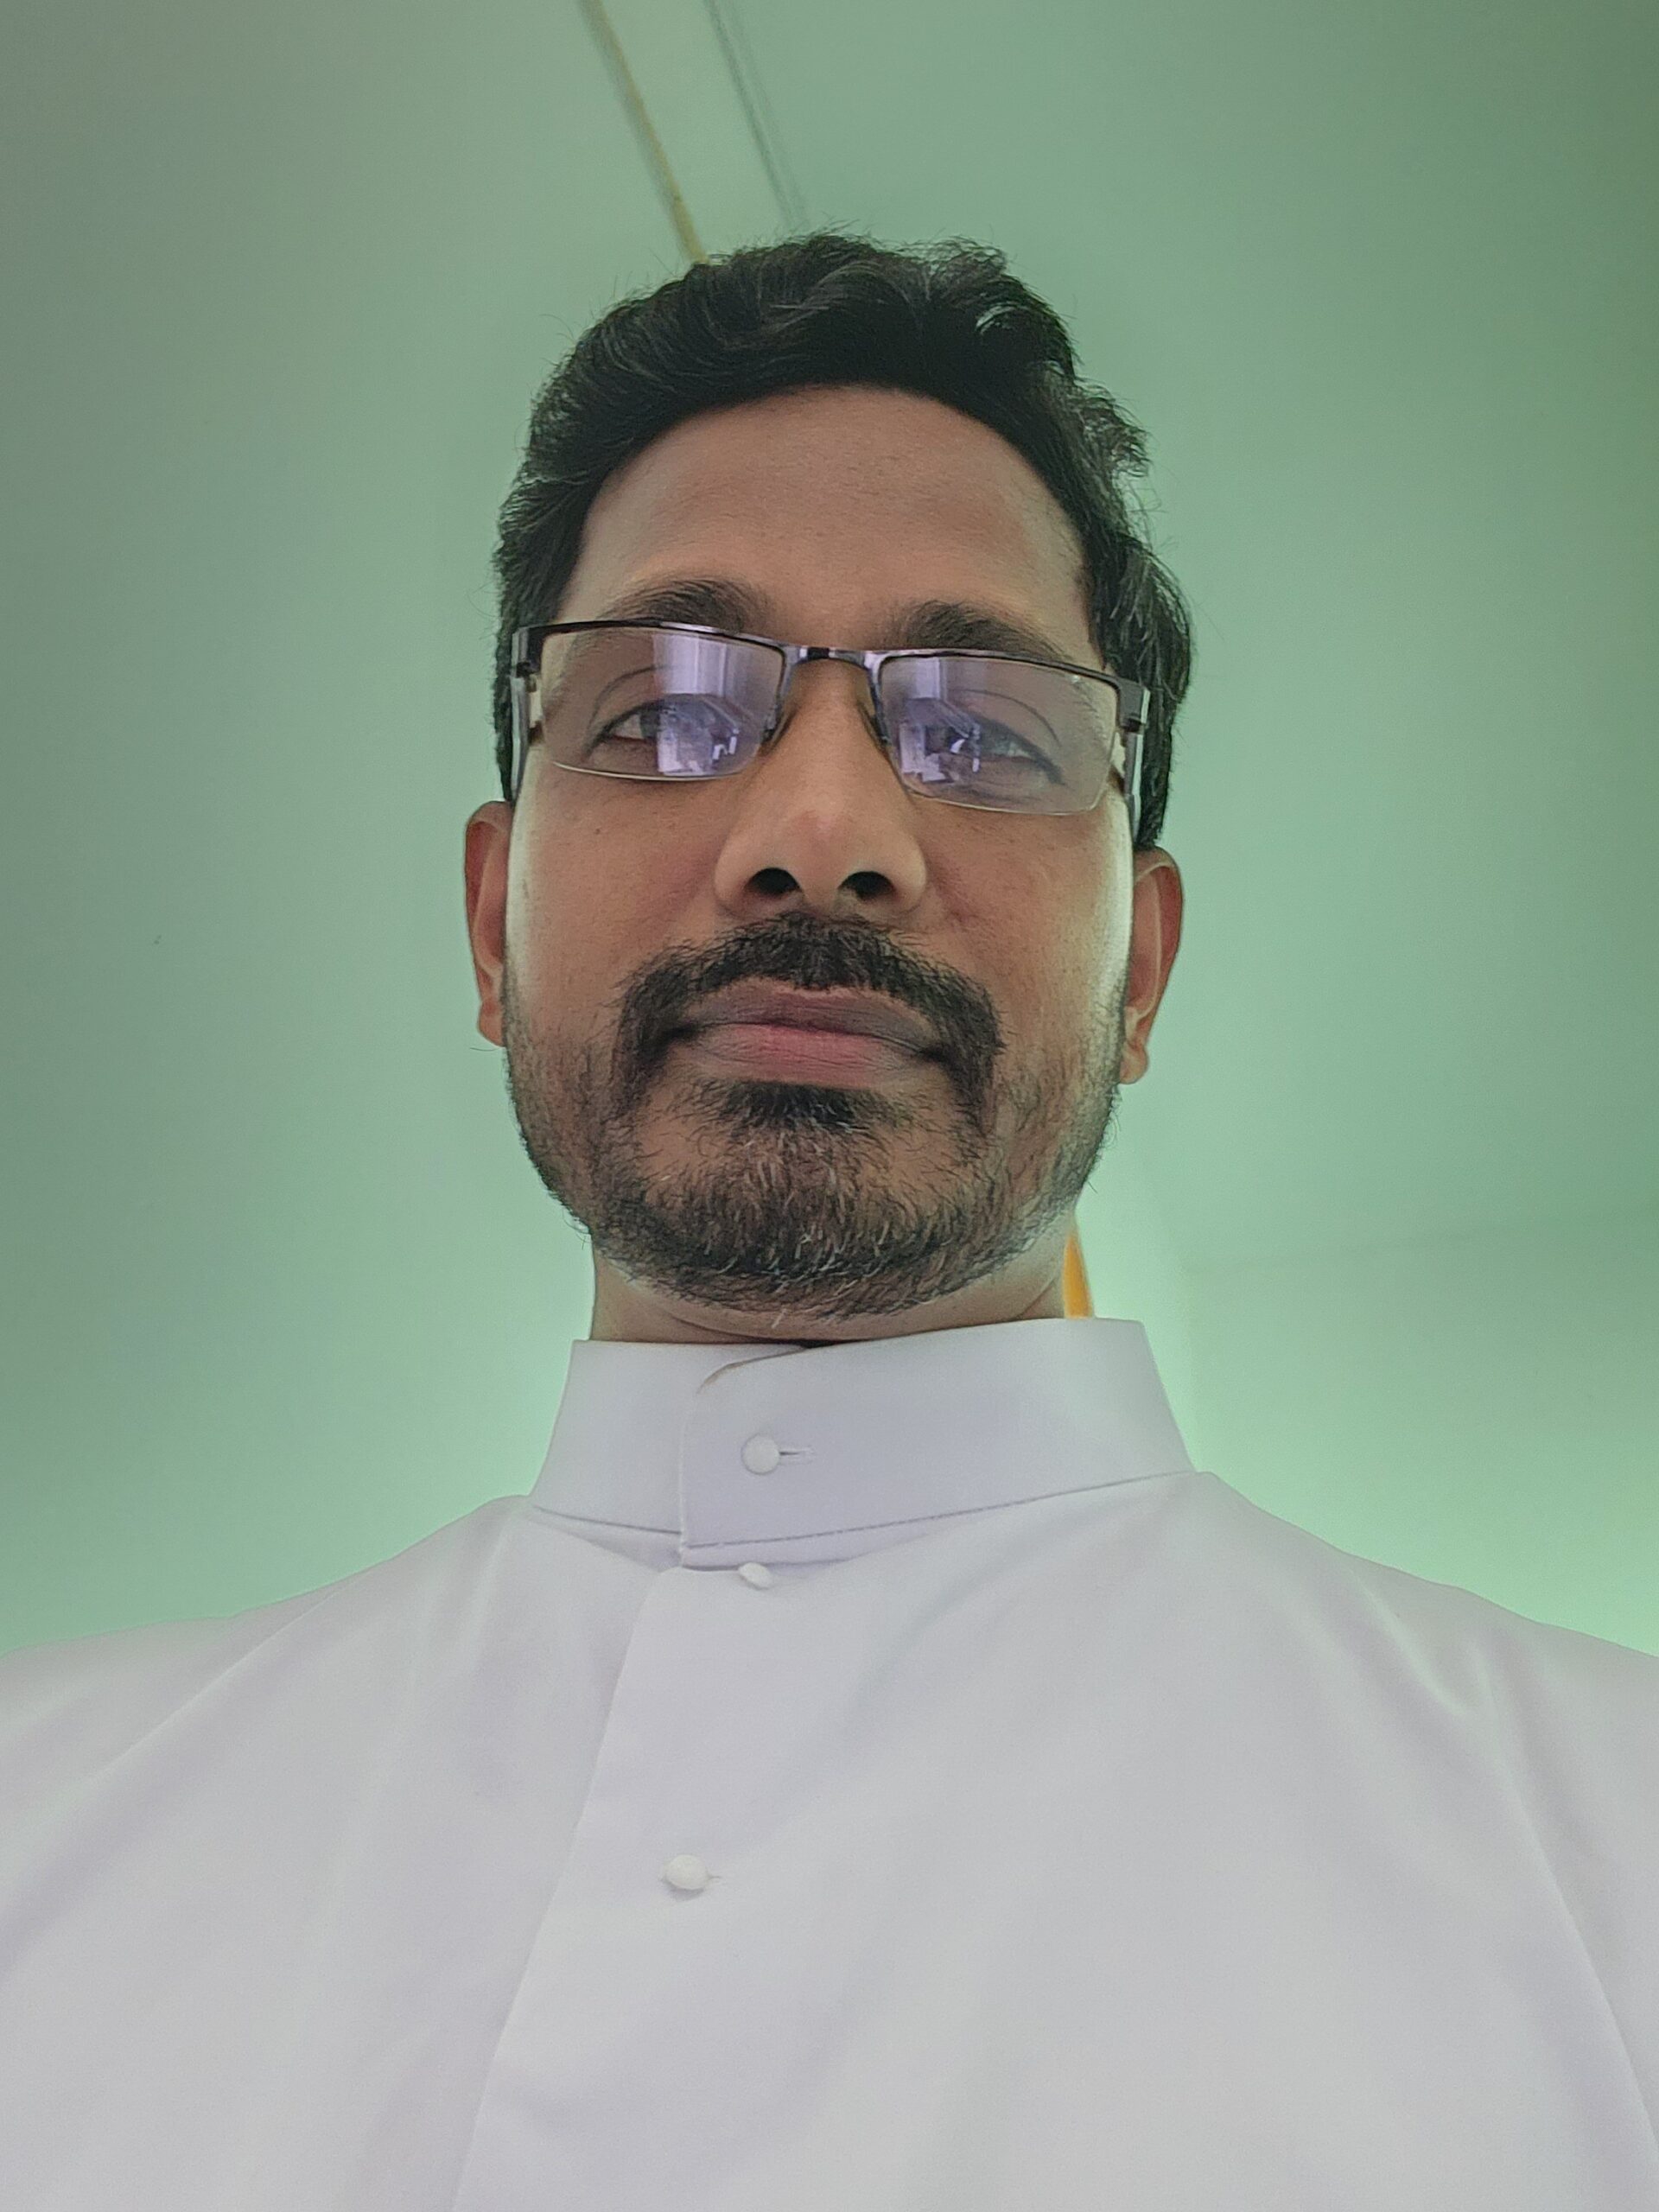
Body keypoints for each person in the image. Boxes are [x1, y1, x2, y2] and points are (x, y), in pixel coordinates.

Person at [2, 232, 1654, 2211]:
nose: (821, 831)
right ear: (489, 918)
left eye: (981, 732)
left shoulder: (1614, 1845)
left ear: (1140, 967)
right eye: (665, 709)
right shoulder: (41, 1819)